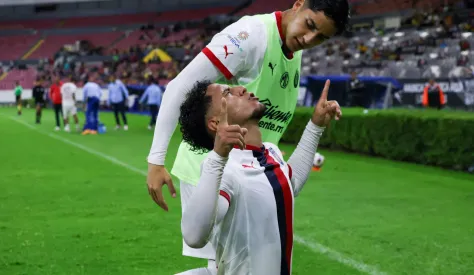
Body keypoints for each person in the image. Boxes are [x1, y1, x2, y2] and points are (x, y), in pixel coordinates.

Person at [145, 0, 350, 271]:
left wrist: (275, 154)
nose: (309, 38)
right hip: (218, 168)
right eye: (310, 25)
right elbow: (181, 85)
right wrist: (156, 160)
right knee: (232, 265)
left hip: (255, 168)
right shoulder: (251, 35)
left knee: (248, 263)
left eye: (320, 37)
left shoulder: (294, 45)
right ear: (299, 4)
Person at [179, 80, 341, 274]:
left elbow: (291, 182)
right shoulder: (226, 169)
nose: (242, 89)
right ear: (215, 123)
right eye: (227, 93)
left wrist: (315, 126)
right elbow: (194, 236)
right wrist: (218, 157)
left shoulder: (271, 152)